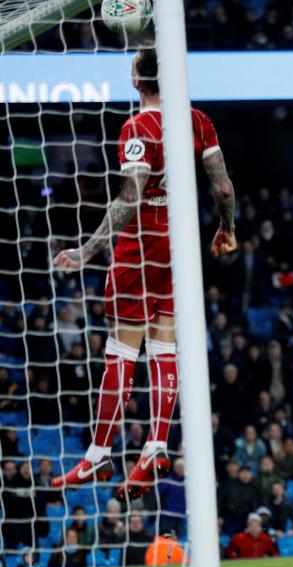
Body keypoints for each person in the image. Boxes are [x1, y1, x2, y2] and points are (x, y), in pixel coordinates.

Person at [52, 47, 238, 502]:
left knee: (121, 347)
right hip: (179, 242)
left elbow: (129, 197)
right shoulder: (197, 120)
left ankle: (99, 453)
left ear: (136, 78)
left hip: (141, 242)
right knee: (163, 344)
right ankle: (155, 447)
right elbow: (222, 185)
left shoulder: (136, 128)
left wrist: (88, 250)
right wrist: (227, 227)